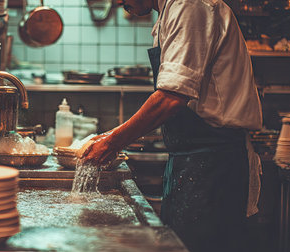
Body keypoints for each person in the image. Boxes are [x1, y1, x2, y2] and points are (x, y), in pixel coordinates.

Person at [80, 0, 263, 252]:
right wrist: (110, 137)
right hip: (189, 161)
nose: (119, 2)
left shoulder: (191, 5)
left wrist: (112, 142)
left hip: (215, 165)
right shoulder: (168, 13)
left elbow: (171, 97)